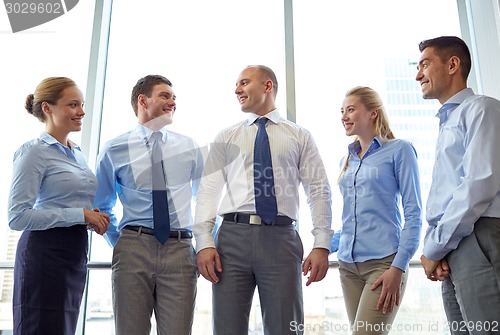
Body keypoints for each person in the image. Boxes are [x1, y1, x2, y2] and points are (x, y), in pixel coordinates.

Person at [194, 65, 333, 335]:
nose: (237, 90)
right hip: (231, 241)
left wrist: (322, 244)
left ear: (267, 86)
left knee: (286, 329)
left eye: (244, 83)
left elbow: (318, 190)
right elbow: (208, 191)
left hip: (281, 240)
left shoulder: (300, 136)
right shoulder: (226, 136)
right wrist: (203, 242)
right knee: (227, 329)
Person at [93, 74, 204, 335]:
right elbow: (101, 207)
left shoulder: (188, 147)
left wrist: (204, 245)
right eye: (165, 96)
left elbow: (207, 202)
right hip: (133, 248)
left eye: (174, 98)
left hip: (180, 249)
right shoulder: (114, 149)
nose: (173, 102)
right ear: (143, 100)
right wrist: (122, 242)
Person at [8, 77, 110, 335]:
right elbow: (17, 217)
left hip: (74, 253)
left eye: (83, 104)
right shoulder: (34, 152)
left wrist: (87, 217)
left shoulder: (77, 153)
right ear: (47, 108)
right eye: (73, 104)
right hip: (43, 255)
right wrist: (78, 213)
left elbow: (64, 205)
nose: (82, 111)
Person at [417, 36, 500, 333]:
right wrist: (437, 247)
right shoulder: (447, 123)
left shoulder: (482, 109)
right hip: (453, 243)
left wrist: (435, 247)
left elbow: (478, 185)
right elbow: (444, 196)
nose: (418, 75)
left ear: (452, 65)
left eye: (424, 64)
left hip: (477, 236)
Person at [333, 86, 422, 335]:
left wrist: (398, 267)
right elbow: (353, 220)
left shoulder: (399, 150)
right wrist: (321, 246)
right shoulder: (346, 160)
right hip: (348, 267)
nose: (344, 116)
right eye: (342, 111)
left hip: (384, 265)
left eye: (351, 109)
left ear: (373, 113)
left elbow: (414, 214)